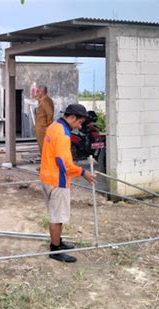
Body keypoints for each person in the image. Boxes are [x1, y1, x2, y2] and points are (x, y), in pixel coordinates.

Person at [40, 103, 96, 263]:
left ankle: (59, 242)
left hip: (47, 176)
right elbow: (64, 164)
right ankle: (55, 250)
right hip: (57, 180)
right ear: (71, 117)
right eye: (79, 122)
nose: (79, 126)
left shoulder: (54, 126)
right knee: (57, 217)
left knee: (57, 214)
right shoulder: (63, 134)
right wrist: (83, 172)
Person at [35, 85, 55, 154]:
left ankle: (46, 163)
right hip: (41, 127)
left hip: (43, 128)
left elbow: (50, 113)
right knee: (42, 146)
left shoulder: (45, 101)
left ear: (42, 92)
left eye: (38, 91)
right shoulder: (43, 100)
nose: (37, 93)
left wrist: (48, 126)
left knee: (44, 146)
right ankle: (45, 162)